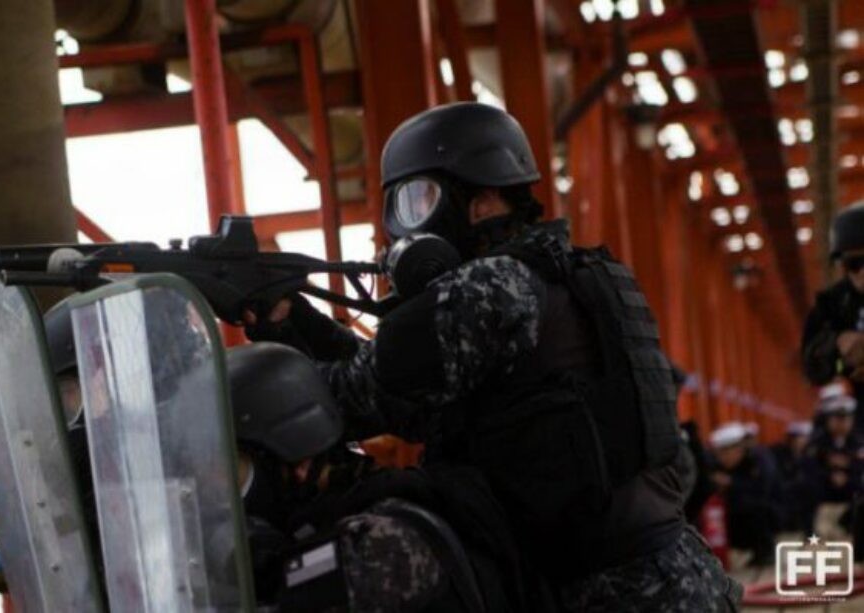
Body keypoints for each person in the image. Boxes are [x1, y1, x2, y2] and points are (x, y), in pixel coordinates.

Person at [242, 102, 739, 611]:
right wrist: (293, 322)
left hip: (612, 595)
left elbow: (357, 398)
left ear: (482, 203)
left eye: (420, 200)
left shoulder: (488, 287)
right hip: (670, 578)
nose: (405, 227)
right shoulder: (564, 278)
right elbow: (413, 403)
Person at [227, 342, 543, 612]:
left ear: (298, 464)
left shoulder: (378, 544)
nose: (223, 490)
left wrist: (250, 553)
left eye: (236, 469)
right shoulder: (348, 505)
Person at [802, 202, 864, 434]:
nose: (862, 272)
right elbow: (813, 370)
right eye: (853, 264)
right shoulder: (829, 307)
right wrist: (838, 347)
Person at [708, 422, 785, 565]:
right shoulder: (718, 466)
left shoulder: (759, 460)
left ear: (738, 449)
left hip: (768, 515)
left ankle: (765, 551)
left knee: (756, 509)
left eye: (725, 452)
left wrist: (732, 483)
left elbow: (762, 493)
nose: (721, 458)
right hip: (735, 519)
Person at [770, 421, 815, 531]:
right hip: (784, 505)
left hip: (806, 507)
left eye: (805, 437)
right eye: (799, 437)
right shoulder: (779, 455)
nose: (802, 441)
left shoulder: (810, 456)